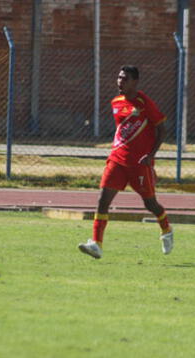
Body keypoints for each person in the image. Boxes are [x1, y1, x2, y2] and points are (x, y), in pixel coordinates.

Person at [78, 65, 174, 259]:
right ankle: (96, 244)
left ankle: (166, 230)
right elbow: (122, 130)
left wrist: (151, 155)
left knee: (150, 204)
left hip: (139, 164)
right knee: (102, 200)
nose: (120, 81)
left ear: (135, 82)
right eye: (119, 77)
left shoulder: (144, 103)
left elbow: (162, 130)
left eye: (125, 79)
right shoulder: (116, 102)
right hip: (117, 160)